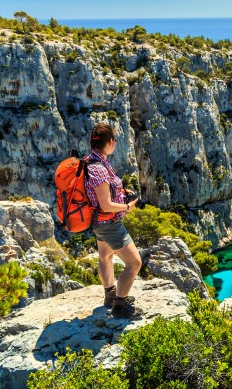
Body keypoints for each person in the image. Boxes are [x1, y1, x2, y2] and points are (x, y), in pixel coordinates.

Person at [85, 123, 143, 319]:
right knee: (134, 263)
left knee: (105, 256)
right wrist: (128, 207)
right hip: (109, 223)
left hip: (100, 224)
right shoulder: (98, 169)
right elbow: (106, 205)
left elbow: (104, 193)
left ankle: (110, 294)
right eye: (115, 140)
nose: (116, 143)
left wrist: (121, 192)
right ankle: (120, 305)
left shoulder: (94, 161)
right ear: (110, 142)